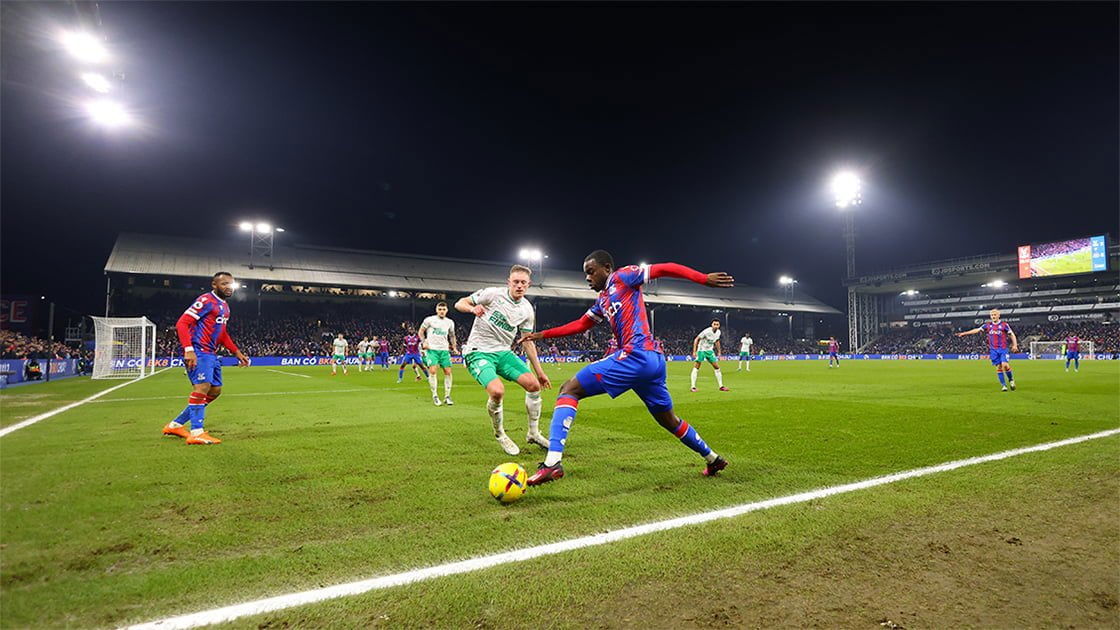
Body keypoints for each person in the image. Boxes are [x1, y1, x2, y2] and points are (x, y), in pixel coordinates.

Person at [519, 252, 735, 485]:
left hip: (636, 354)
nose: (587, 278)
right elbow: (582, 324)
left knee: (569, 389)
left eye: (591, 272)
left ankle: (552, 464)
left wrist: (702, 279)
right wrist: (543, 334)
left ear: (607, 268)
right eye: (585, 274)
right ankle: (713, 459)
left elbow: (665, 267)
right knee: (668, 420)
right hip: (652, 362)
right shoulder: (602, 300)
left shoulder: (623, 276)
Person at [454, 264, 551, 455]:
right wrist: (472, 309)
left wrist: (540, 372)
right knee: (497, 391)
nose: (519, 286)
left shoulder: (527, 309)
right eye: (516, 282)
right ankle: (500, 435)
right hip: (478, 352)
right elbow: (460, 303)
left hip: (503, 353)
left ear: (528, 285)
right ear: (509, 282)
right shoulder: (492, 294)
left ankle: (533, 433)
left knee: (533, 385)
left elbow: (528, 342)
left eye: (523, 283)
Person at [162, 272, 250, 445]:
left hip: (211, 353)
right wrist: (189, 350)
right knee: (202, 388)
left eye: (230, 284)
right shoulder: (206, 300)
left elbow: (222, 333)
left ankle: (175, 425)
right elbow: (182, 323)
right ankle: (196, 432)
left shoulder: (225, 306)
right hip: (199, 351)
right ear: (214, 285)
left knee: (215, 391)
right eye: (224, 283)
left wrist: (236, 352)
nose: (228, 287)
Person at [956, 309, 1019, 391]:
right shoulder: (988, 325)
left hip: (1003, 349)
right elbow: (977, 330)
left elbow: (1012, 334)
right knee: (998, 367)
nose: (993, 316)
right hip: (993, 350)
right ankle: (1004, 385)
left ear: (998, 315)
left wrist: (1015, 345)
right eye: (992, 315)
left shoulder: (1004, 325)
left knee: (1005, 365)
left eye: (995, 315)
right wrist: (964, 333)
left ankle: (1011, 380)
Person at [419, 302, 457, 406]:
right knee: (432, 370)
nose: (441, 311)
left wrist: (454, 346)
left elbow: (452, 335)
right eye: (440, 309)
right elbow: (421, 332)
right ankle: (435, 396)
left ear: (446, 311)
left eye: (443, 309)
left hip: (444, 350)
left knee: (448, 371)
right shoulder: (429, 320)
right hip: (432, 349)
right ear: (436, 310)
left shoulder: (450, 322)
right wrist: (424, 342)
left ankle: (447, 396)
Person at [691, 319, 728, 392]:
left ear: (719, 326)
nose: (716, 326)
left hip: (710, 351)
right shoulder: (706, 331)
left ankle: (721, 386)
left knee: (717, 367)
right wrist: (694, 351)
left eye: (717, 324)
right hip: (701, 350)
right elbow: (696, 339)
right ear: (712, 325)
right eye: (714, 324)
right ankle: (693, 387)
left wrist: (719, 352)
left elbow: (717, 341)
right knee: (697, 366)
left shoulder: (718, 332)